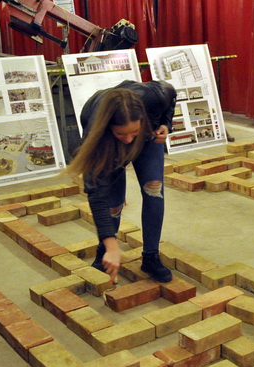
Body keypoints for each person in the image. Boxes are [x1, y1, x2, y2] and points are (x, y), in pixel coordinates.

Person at [66, 80, 177, 283]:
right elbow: (96, 194)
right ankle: (104, 252)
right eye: (121, 133)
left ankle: (151, 256)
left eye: (133, 132)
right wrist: (111, 246)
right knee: (113, 203)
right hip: (110, 147)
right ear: (109, 127)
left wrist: (165, 124)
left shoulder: (154, 96)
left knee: (154, 192)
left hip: (149, 138)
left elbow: (171, 95)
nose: (128, 140)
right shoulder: (96, 134)